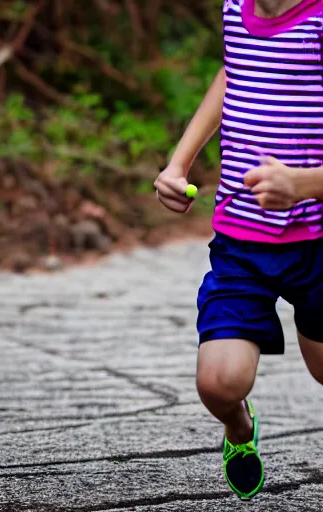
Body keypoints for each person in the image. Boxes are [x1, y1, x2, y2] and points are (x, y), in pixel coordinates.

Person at [154, 0, 323, 501]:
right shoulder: (237, 10)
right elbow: (233, 73)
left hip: (317, 244)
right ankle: (239, 430)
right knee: (218, 384)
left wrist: (303, 183)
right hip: (241, 242)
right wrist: (178, 163)